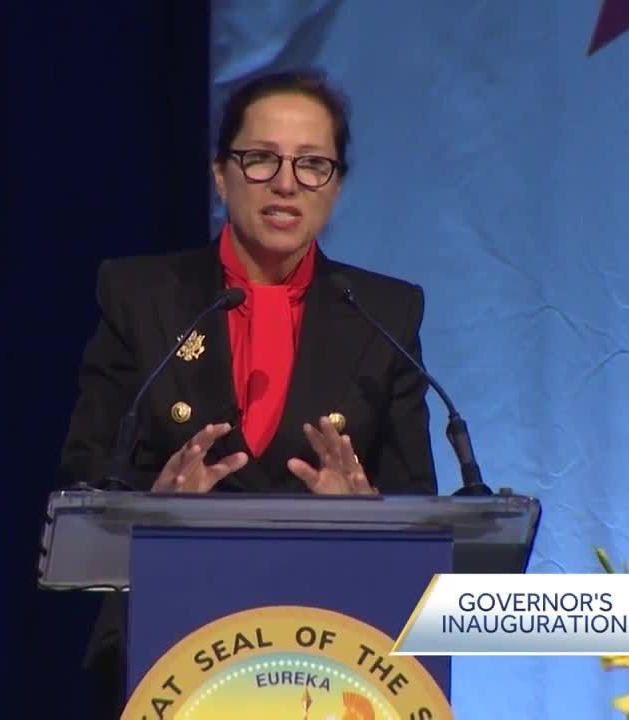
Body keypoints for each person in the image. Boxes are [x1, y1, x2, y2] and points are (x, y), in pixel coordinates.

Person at [59, 69, 439, 718]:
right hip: (167, 649)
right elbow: (85, 474)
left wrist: (366, 515)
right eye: (261, 158)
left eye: (312, 164)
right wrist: (155, 510)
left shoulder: (384, 313)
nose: (286, 183)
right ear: (220, 173)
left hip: (332, 648)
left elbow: (419, 504)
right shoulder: (141, 296)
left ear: (337, 186)